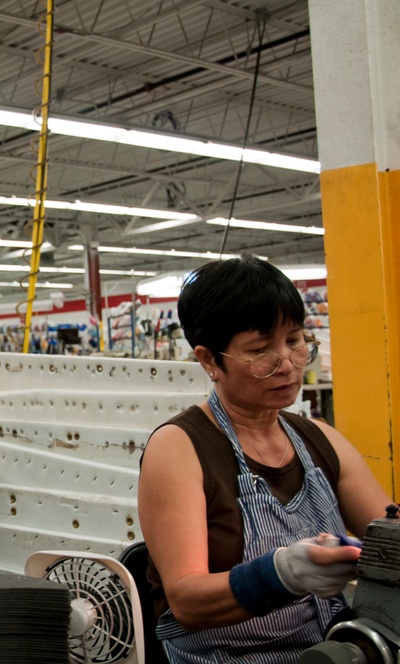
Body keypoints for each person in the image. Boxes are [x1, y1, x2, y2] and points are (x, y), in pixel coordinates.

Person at [138, 254, 392, 663]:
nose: (287, 365)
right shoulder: (180, 448)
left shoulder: (319, 439)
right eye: (260, 351)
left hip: (333, 649)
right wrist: (282, 573)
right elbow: (187, 600)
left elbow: (388, 542)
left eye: (294, 341)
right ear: (208, 360)